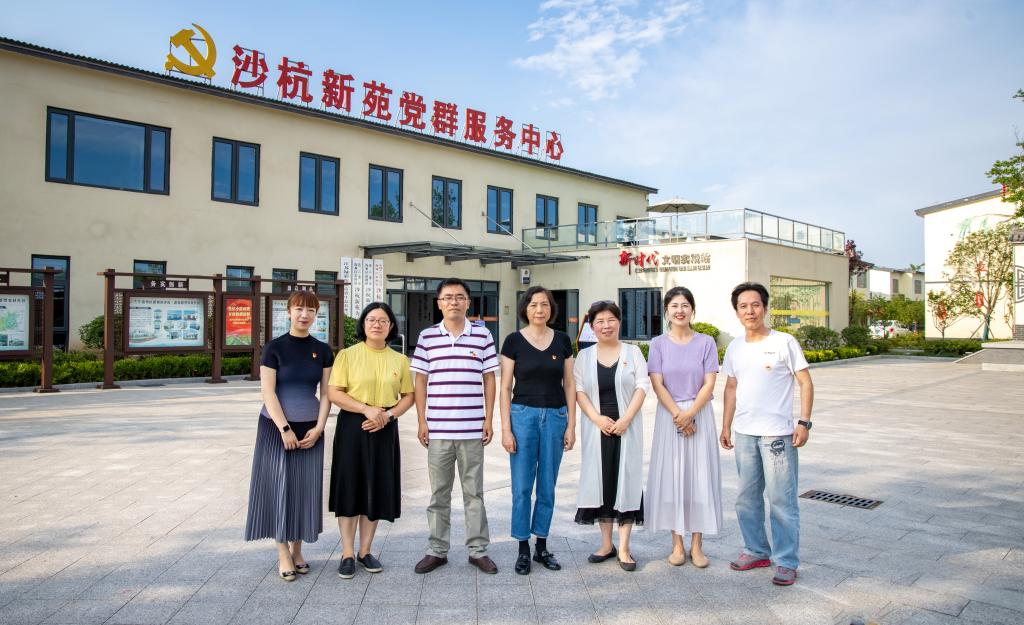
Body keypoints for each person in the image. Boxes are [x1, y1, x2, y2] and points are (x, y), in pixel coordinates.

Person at [720, 282, 814, 587]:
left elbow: (805, 382)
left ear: (765, 307)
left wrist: (804, 422)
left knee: (781, 501)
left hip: (778, 436)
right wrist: (726, 425)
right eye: (743, 306)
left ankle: (786, 561)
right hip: (745, 434)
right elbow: (731, 387)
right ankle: (756, 550)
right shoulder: (735, 347)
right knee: (746, 500)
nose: (750, 311)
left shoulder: (784, 342)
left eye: (755, 305)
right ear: (737, 312)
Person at [410, 278, 500, 575]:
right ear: (439, 303)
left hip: (472, 430)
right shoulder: (427, 337)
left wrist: (488, 419)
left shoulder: (482, 335)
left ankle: (478, 551)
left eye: (459, 297)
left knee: (474, 494)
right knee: (439, 494)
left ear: (468, 302)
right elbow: (420, 380)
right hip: (438, 430)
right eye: (448, 297)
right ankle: (437, 550)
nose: (454, 302)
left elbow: (489, 378)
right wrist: (422, 421)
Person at [244, 290, 334, 581]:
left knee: (304, 488)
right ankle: (282, 552)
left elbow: (327, 394)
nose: (304, 315)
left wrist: (319, 428)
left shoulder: (322, 350)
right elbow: (268, 392)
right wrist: (284, 428)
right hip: (275, 428)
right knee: (279, 486)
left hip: (310, 428)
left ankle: (298, 550)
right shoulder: (274, 348)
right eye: (299, 309)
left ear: (316, 314)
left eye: (310, 310)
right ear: (289, 312)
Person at [327, 302, 414, 579]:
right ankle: (347, 553)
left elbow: (409, 396)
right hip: (353, 424)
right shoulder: (347, 355)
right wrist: (366, 409)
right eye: (371, 320)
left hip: (384, 427)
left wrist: (387, 415)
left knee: (375, 487)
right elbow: (334, 392)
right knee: (350, 486)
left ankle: (365, 551)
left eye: (383, 320)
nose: (377, 324)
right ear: (363, 324)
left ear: (391, 326)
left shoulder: (400, 360)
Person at [499, 286, 576, 575]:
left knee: (547, 486)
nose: (539, 310)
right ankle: (522, 547)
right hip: (523, 417)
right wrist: (506, 429)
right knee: (521, 487)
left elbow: (570, 384)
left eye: (544, 304)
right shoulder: (513, 341)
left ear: (551, 309)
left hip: (556, 416)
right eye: (533, 304)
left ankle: (541, 546)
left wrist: (571, 424)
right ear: (525, 309)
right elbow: (505, 387)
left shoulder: (563, 340)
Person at [645, 286, 722, 568]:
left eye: (685, 305)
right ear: (667, 311)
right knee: (673, 478)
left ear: (692, 310)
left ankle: (697, 545)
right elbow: (657, 383)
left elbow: (709, 382)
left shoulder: (706, 342)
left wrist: (690, 414)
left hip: (699, 414)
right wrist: (679, 415)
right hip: (670, 415)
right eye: (674, 305)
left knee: (699, 478)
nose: (680, 310)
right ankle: (677, 544)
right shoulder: (657, 344)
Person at [573, 300, 649, 571]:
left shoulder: (633, 352)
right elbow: (579, 390)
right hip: (598, 428)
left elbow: (642, 386)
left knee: (626, 482)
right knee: (602, 483)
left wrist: (626, 418)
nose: (606, 325)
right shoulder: (584, 356)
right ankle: (606, 544)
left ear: (619, 322)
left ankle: (625, 548)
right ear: (592, 327)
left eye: (611, 320)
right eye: (600, 321)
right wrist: (596, 419)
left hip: (626, 427)